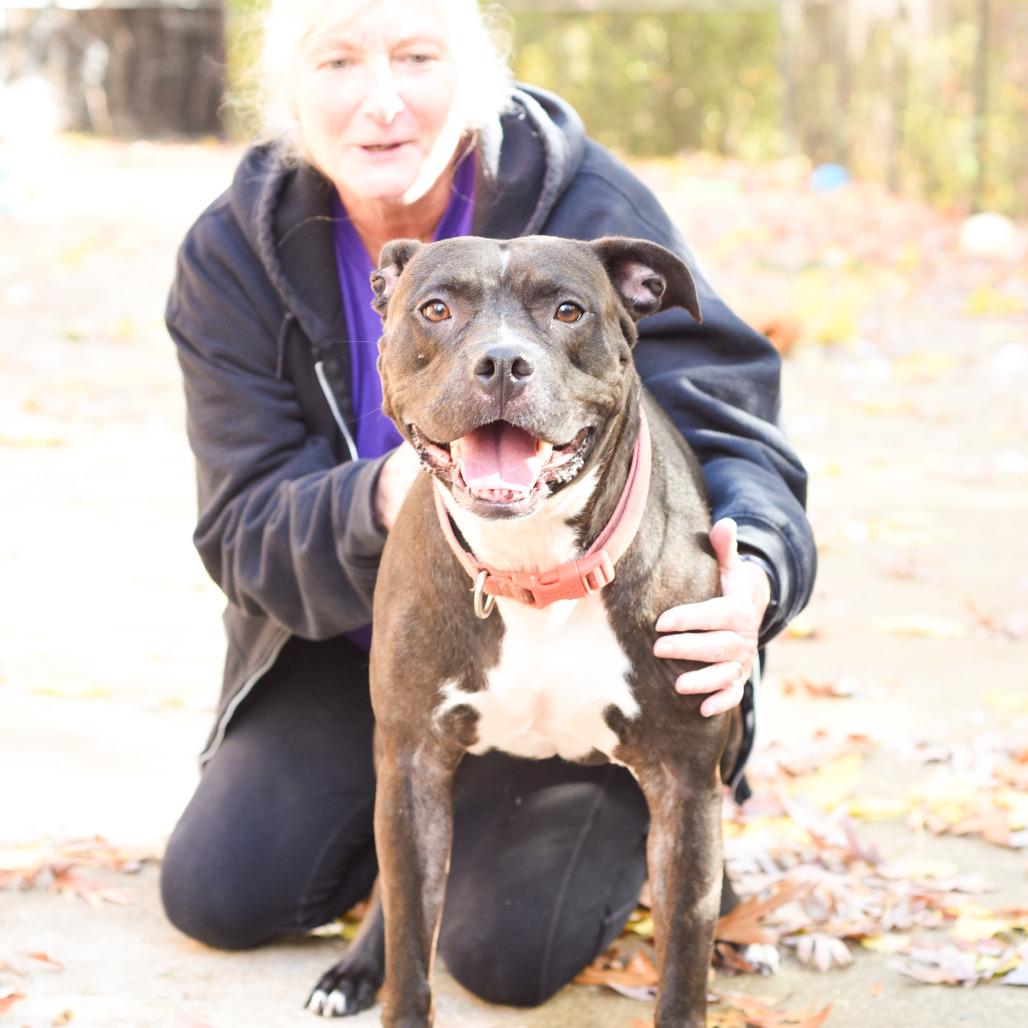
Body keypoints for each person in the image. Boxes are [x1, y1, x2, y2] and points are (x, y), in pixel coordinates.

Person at [160, 0, 816, 1009]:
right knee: (222, 889)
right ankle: (414, 830)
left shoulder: (593, 205)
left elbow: (733, 424)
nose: (381, 100)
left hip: (607, 619)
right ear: (289, 93)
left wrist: (758, 570)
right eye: (337, 63)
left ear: (473, 80)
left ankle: (568, 814)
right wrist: (393, 490)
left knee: (504, 953)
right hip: (366, 633)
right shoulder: (236, 251)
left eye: (417, 57)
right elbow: (240, 524)